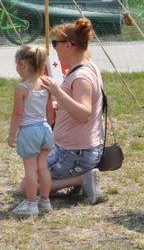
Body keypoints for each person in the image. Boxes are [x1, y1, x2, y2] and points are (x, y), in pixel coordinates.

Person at [40, 18, 104, 205]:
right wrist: (61, 104)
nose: (54, 49)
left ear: (68, 45)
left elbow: (84, 113)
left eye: (55, 44)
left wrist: (57, 91)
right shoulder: (86, 65)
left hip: (78, 153)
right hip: (75, 149)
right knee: (34, 171)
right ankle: (79, 179)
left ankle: (82, 179)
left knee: (30, 183)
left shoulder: (81, 76)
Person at [7, 45, 54, 216]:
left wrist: (12, 135)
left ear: (22, 64)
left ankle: (31, 203)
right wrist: (49, 126)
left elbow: (18, 114)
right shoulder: (46, 84)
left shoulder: (21, 88)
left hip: (29, 131)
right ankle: (45, 201)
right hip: (45, 129)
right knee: (43, 167)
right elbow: (50, 110)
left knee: (30, 170)